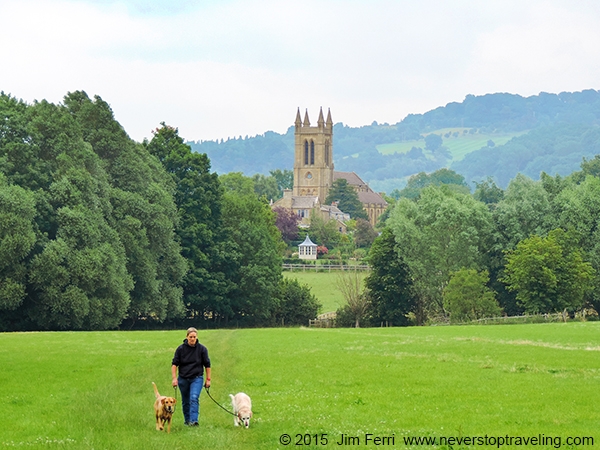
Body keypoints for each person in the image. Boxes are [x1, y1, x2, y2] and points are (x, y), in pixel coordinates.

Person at [171, 327, 211, 426]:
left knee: (193, 397)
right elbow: (174, 364)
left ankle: (194, 421)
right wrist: (174, 378)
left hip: (196, 378)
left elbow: (207, 365)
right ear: (187, 337)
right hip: (183, 379)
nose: (192, 339)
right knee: (185, 400)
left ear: (197, 337)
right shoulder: (180, 349)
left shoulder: (202, 349)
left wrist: (208, 379)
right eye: (190, 337)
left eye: (194, 337)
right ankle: (187, 420)